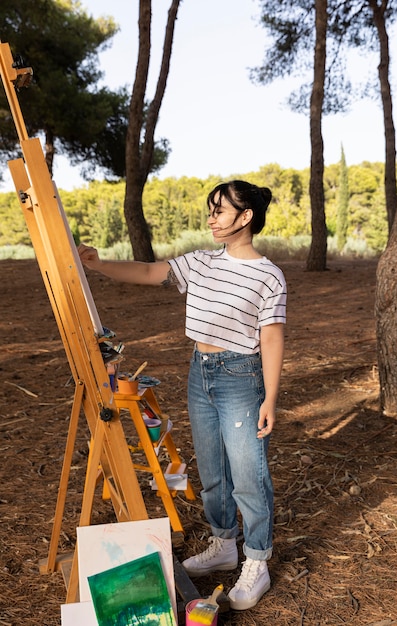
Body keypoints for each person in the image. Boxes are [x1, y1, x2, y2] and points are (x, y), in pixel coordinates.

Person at [78, 180, 286, 611]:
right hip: (201, 372)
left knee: (248, 475)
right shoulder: (201, 262)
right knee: (211, 469)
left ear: (245, 217)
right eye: (210, 209)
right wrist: (99, 266)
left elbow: (271, 338)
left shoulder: (269, 275)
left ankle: (257, 560)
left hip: (241, 376)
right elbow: (151, 271)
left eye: (220, 210)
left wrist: (269, 398)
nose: (211, 217)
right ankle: (223, 542)